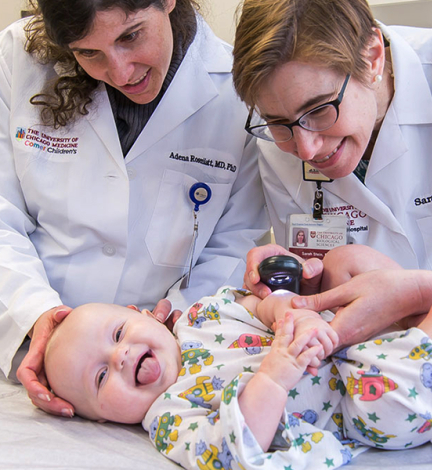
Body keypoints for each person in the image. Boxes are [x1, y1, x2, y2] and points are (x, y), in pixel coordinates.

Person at [0, 0, 270, 418]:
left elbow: (236, 240)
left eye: (131, 36)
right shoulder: (18, 57)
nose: (121, 71)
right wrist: (34, 313)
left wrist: (179, 318)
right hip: (28, 350)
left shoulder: (237, 91)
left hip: (169, 360)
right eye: (88, 53)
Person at [43, 247, 432, 469]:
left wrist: (290, 316)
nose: (120, 356)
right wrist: (273, 379)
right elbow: (233, 451)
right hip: (350, 405)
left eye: (119, 334)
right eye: (100, 378)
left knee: (348, 261)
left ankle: (413, 300)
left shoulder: (199, 314)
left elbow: (258, 305)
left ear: (143, 313)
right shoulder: (169, 417)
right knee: (397, 404)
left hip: (338, 335)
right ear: (101, 419)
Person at [231, 0, 432, 334]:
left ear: (372, 57)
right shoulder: (276, 146)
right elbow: (329, 302)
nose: (305, 148)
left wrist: (425, 294)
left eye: (319, 110)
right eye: (278, 122)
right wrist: (305, 285)